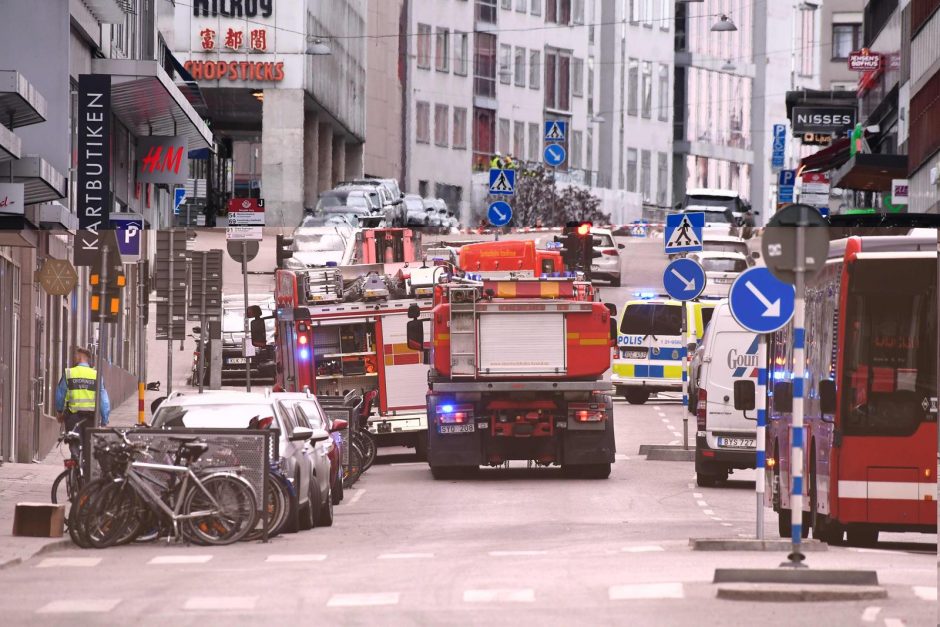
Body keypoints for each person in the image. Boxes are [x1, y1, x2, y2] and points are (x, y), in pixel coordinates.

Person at [55, 346, 110, 459]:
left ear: (80, 356)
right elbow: (104, 400)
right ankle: (84, 471)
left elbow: (60, 394)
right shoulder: (96, 375)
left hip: (73, 418)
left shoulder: (69, 373)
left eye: (75, 355)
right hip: (91, 419)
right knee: (88, 449)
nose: (74, 357)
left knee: (74, 445)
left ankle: (74, 469)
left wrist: (59, 412)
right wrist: (104, 421)